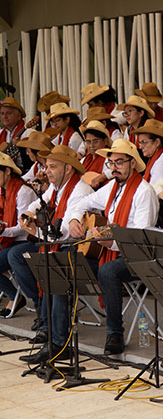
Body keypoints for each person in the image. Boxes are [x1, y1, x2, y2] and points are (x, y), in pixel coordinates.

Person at [68, 139, 159, 355]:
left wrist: (112, 243)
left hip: (139, 256)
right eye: (110, 163)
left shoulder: (144, 192)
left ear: (133, 164)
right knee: (70, 258)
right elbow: (82, 203)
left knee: (108, 271)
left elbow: (140, 237)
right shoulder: (112, 187)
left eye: (119, 162)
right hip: (112, 252)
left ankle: (114, 332)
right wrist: (74, 219)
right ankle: (62, 329)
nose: (114, 168)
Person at [10, 146, 93, 358]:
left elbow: (62, 234)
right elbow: (39, 202)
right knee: (19, 256)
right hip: (60, 245)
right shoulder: (57, 188)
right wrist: (29, 213)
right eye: (46, 166)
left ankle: (58, 342)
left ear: (68, 169)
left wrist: (35, 230)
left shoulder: (79, 190)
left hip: (78, 249)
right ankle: (43, 317)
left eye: (53, 166)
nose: (47, 171)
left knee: (56, 273)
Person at [0, 153, 37, 318]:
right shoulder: (3, 192)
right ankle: (15, 297)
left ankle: (37, 301)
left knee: (14, 255)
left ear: (7, 171)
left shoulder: (23, 191)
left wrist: (2, 231)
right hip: (13, 241)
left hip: (30, 240)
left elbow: (24, 228)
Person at [131, 119, 163, 185]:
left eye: (144, 142)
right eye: (140, 143)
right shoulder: (159, 157)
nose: (140, 147)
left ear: (157, 142)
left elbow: (153, 190)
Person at [80, 120, 114, 188]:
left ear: (105, 141)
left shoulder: (110, 157)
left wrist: (101, 177)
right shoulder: (84, 160)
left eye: (95, 142)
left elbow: (117, 169)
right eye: (88, 142)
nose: (91, 146)